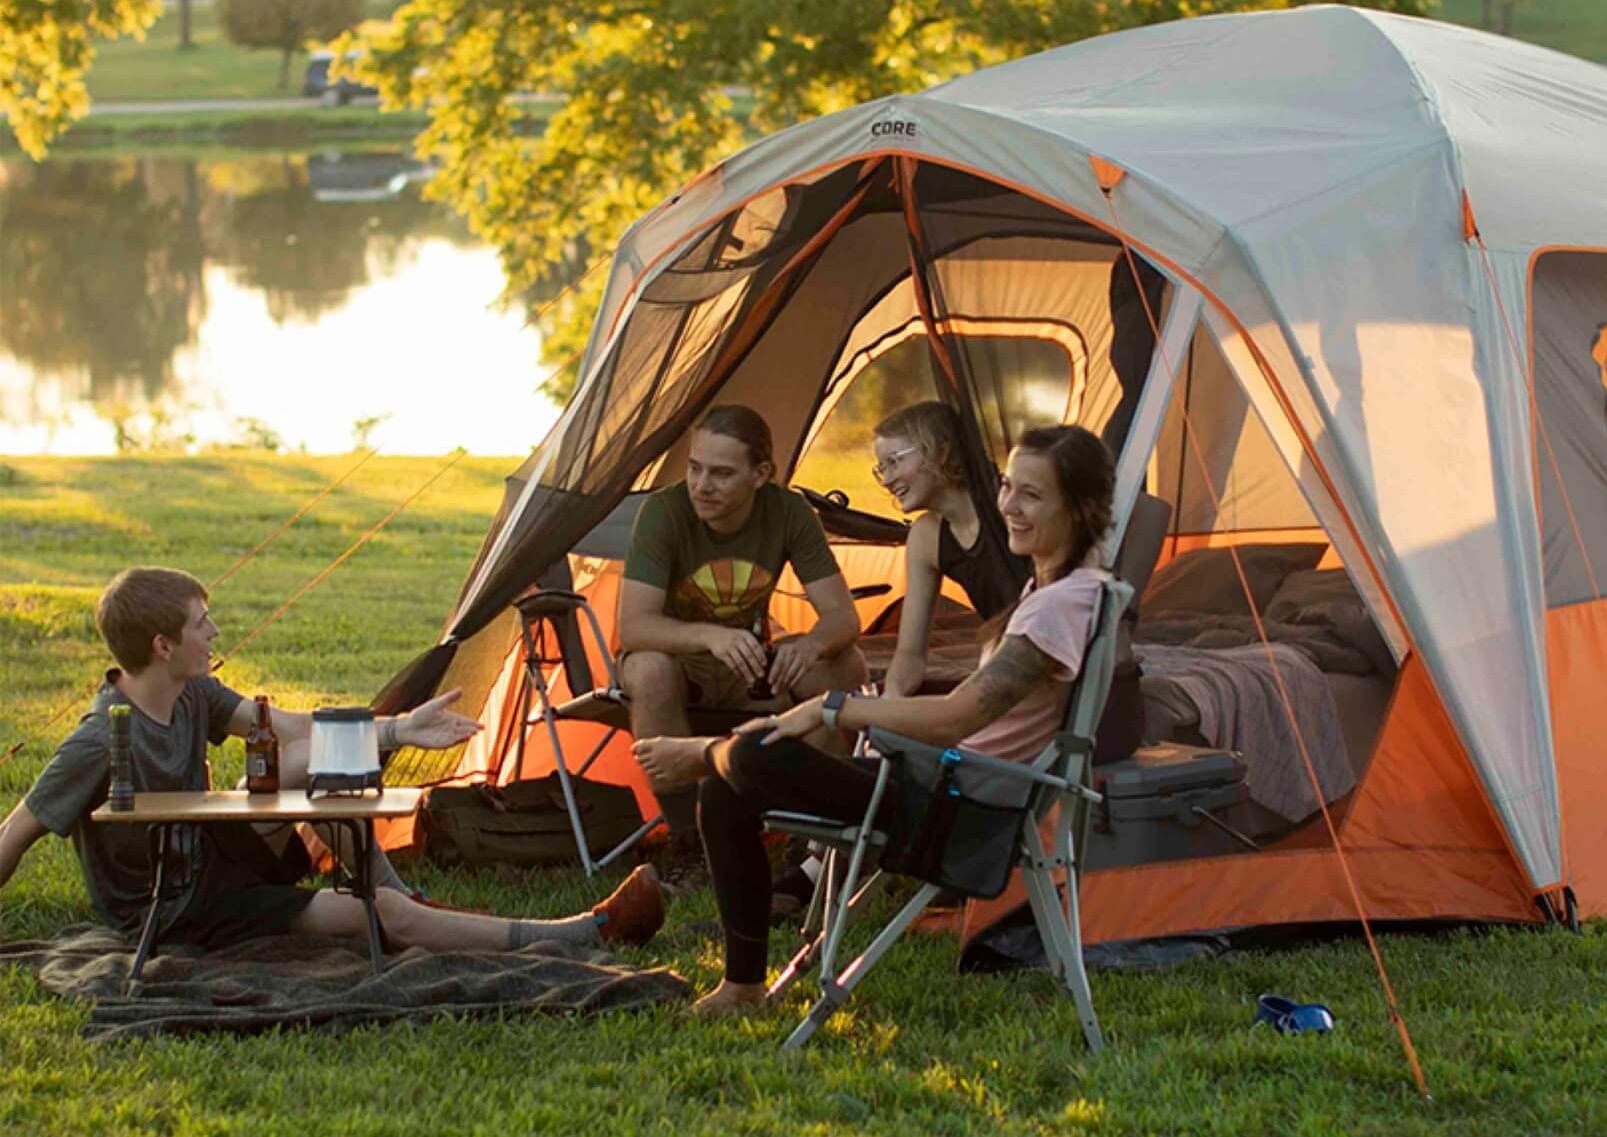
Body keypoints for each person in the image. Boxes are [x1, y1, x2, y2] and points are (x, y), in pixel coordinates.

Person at [636, 423, 1118, 1016]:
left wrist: (833, 706)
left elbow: (953, 719)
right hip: (938, 785)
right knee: (727, 788)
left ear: (1081, 508)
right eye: (1006, 487)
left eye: (1031, 495)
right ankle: (742, 988)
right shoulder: (1051, 592)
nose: (1009, 508)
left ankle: (707, 750)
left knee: (751, 757)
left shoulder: (1062, 607)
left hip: (962, 811)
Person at [0, 567, 667, 953]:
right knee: (378, 919)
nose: (215, 632)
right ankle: (585, 932)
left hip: (207, 855)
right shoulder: (96, 743)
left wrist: (397, 729)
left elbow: (294, 729)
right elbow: (15, 833)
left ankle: (403, 895)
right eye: (203, 622)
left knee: (292, 758)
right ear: (163, 645)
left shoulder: (192, 693)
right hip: (175, 911)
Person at [621, 404, 868, 849]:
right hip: (682, 665)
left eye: (721, 474)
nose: (701, 485)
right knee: (647, 668)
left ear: (761, 474)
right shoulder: (665, 512)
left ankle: (812, 839)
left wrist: (810, 646)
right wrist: (708, 635)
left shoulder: (788, 512)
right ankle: (687, 840)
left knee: (844, 665)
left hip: (753, 668)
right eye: (695, 468)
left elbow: (842, 617)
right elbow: (634, 627)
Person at [870, 400, 1029, 698]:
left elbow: (1145, 509)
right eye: (882, 468)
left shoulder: (1009, 507)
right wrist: (889, 705)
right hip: (1013, 662)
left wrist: (1120, 624)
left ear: (941, 451)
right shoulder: (926, 536)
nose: (887, 480)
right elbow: (910, 655)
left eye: (895, 461)